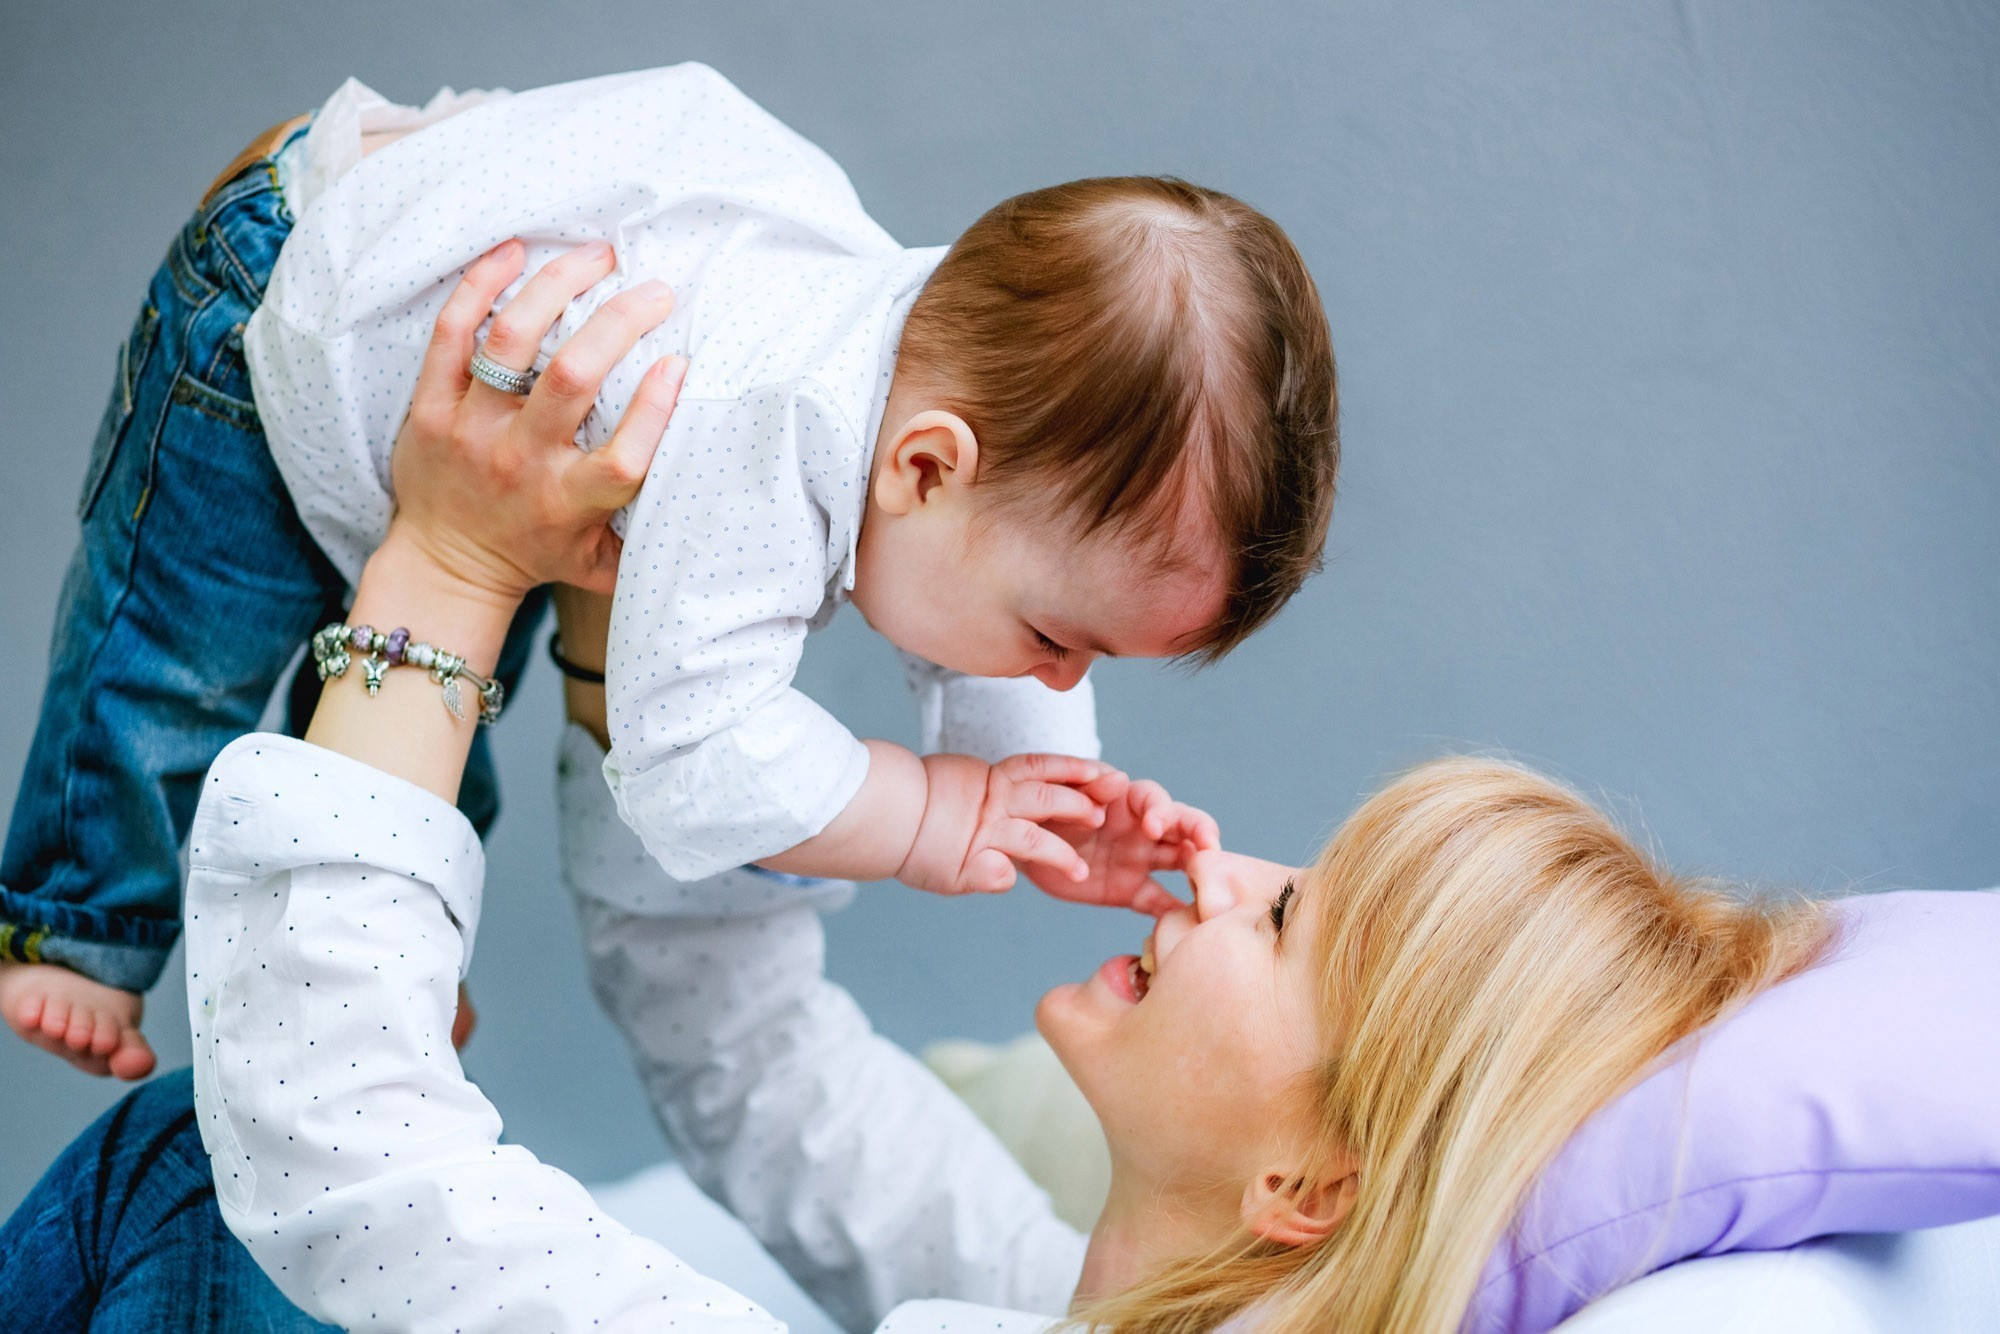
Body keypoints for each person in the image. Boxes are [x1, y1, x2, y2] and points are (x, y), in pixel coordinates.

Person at [7, 254, 1997, 1333]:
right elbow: (747, 1065)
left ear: (1308, 1188)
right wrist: (636, 676)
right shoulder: (1067, 1296)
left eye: (1295, 918)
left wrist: (443, 572)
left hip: (214, 1203)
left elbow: (347, 1163)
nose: (1220, 871)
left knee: (210, 1173)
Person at [0, 62, 1337, 1078]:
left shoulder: (937, 384)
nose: (1056, 676)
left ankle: (385, 952)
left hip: (486, 414)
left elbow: (969, 601)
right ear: (924, 468)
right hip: (289, 305)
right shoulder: (766, 438)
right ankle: (74, 925)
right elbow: (691, 764)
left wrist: (1048, 793)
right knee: (174, 653)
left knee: (448, 705)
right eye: (1057, 639)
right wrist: (939, 812)